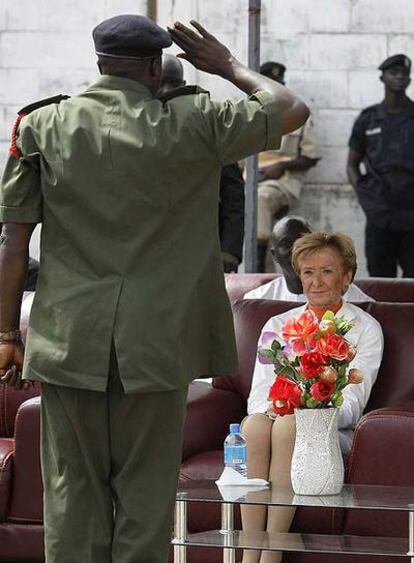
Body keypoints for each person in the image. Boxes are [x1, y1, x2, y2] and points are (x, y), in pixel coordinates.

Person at [0, 14, 309, 563]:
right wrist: (228, 65)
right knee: (145, 495)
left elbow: (12, 243)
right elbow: (290, 109)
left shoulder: (40, 125)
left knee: (71, 492)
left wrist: (5, 332)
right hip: (158, 342)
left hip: (70, 340)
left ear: (99, 63)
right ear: (151, 66)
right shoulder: (194, 121)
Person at [241, 232, 383, 563]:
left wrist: (304, 408)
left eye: (327, 271)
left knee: (289, 427)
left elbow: (351, 405)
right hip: (278, 420)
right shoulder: (279, 324)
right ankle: (250, 549)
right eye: (308, 272)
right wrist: (283, 407)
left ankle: (272, 549)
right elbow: (258, 398)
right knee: (253, 427)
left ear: (346, 276)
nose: (316, 282)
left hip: (332, 428)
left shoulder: (365, 328)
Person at [159, 54, 245, 272]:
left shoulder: (208, 125)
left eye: (174, 83)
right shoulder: (138, 126)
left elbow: (232, 193)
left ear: (184, 85)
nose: (168, 90)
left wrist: (230, 250)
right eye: (162, 83)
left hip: (202, 245)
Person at [347, 53, 414, 278]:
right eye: (394, 73)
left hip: (411, 215)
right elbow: (352, 164)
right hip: (380, 216)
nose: (400, 77)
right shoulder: (368, 118)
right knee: (379, 280)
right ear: (382, 77)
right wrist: (366, 198)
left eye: (405, 74)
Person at [256, 61, 321, 272]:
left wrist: (282, 166)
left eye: (280, 84)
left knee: (260, 198)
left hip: (283, 183)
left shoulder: (296, 114)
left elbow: (311, 157)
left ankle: (254, 261)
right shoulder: (247, 113)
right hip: (250, 182)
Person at [244, 216, 374, 302]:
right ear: (274, 255)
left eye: (303, 242)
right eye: (287, 244)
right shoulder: (257, 300)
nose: (297, 250)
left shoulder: (354, 300)